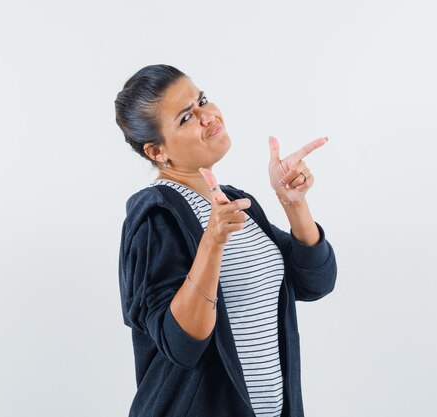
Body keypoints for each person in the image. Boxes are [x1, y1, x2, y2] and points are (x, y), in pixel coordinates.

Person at [114, 64, 337, 417]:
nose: (207, 116)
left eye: (201, 100)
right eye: (186, 118)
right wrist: (212, 243)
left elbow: (315, 283)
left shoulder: (233, 203)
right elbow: (183, 344)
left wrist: (293, 204)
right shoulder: (155, 216)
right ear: (157, 152)